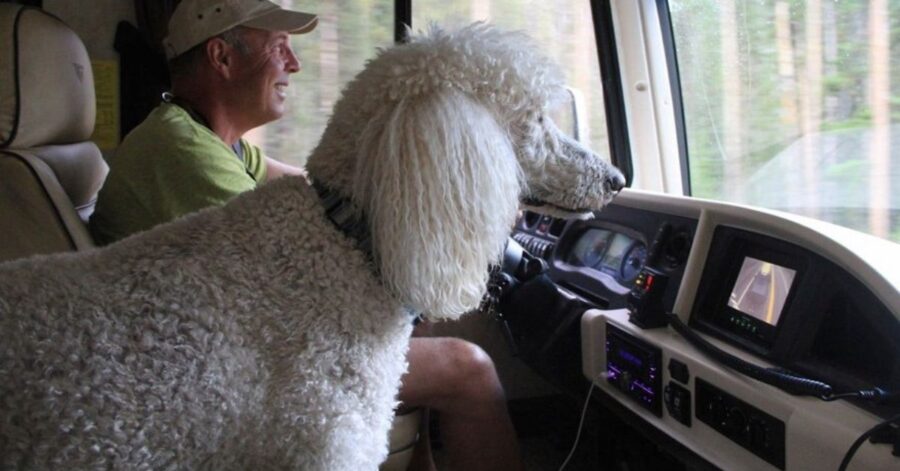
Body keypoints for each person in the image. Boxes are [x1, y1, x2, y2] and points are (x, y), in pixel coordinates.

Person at [88, 1, 524, 470]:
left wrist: (445, 199)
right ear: (222, 57)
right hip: (218, 364)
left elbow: (313, 190)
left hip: (239, 338)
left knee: (417, 306)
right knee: (469, 370)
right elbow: (289, 278)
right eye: (279, 48)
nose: (293, 64)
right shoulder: (181, 151)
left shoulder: (212, 141)